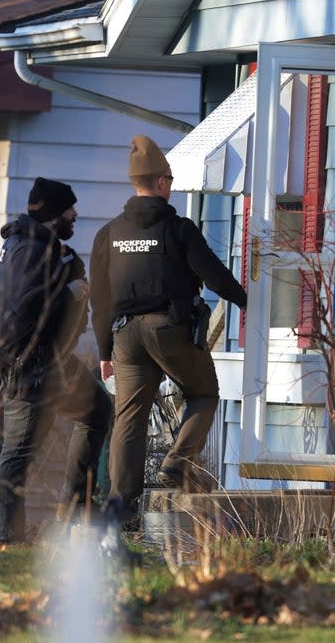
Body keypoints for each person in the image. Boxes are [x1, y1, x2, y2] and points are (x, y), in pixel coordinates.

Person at [90, 134, 247, 528]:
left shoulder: (109, 233)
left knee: (128, 418)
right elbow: (216, 278)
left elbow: (101, 299)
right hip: (170, 329)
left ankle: (120, 514)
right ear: (161, 182)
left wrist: (104, 350)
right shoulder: (178, 229)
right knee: (204, 393)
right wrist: (246, 299)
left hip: (124, 336)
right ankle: (176, 465)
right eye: (170, 181)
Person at [0, 177, 113, 547]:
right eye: (70, 208)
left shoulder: (47, 248)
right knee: (19, 451)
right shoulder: (27, 250)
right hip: (27, 366)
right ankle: (5, 536)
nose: (75, 214)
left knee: (97, 410)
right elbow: (20, 311)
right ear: (55, 212)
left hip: (54, 360)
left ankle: (75, 509)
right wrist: (67, 293)